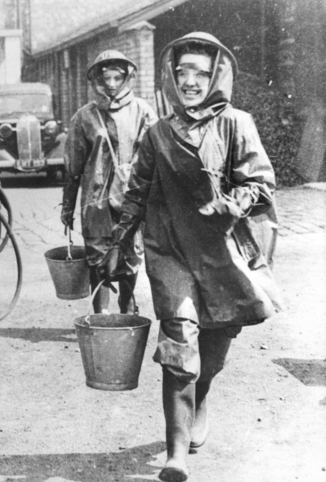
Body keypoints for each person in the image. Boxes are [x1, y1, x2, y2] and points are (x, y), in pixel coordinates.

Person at [98, 33, 283, 482]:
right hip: (171, 250)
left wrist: (234, 202)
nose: (190, 81)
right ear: (170, 77)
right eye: (182, 72)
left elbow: (261, 182)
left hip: (222, 251)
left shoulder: (237, 123)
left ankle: (201, 399)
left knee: (215, 348)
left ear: (216, 76)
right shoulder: (159, 133)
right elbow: (137, 191)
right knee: (180, 341)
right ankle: (175, 454)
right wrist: (117, 243)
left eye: (200, 72)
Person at [61, 50, 157, 314]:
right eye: (107, 78)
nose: (112, 84)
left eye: (118, 77)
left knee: (130, 254)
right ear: (97, 80)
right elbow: (72, 167)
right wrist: (67, 207)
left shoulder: (143, 112)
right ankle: (100, 314)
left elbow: (155, 158)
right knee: (97, 255)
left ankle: (127, 304)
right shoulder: (84, 117)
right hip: (96, 202)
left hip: (131, 199)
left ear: (128, 79)